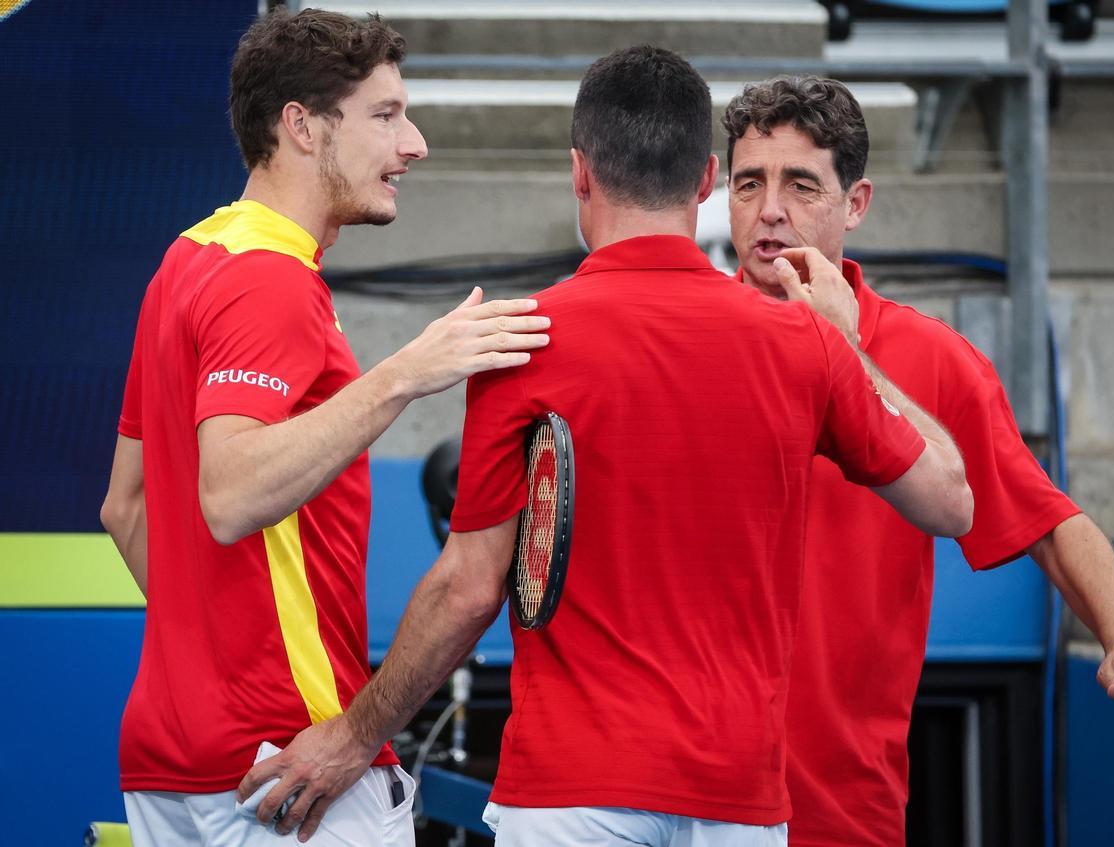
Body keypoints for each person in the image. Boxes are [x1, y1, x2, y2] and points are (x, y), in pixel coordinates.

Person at [238, 46, 973, 846]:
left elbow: (468, 588)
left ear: (580, 175)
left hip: (569, 792)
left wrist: (353, 735)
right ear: (706, 182)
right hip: (738, 795)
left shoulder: (523, 339)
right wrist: (848, 344)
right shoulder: (805, 345)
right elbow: (950, 498)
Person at [98, 9, 551, 846]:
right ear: (301, 128)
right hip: (285, 768)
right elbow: (230, 494)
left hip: (176, 756)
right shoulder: (272, 282)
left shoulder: (187, 260)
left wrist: (211, 667)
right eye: (385, 116)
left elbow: (123, 508)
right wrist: (409, 371)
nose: (412, 144)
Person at [721, 74, 1114, 846]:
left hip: (844, 811)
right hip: (684, 804)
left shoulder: (933, 359)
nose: (770, 209)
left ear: (856, 204)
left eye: (801, 184)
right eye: (748, 182)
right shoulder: (688, 339)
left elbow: (1055, 523)